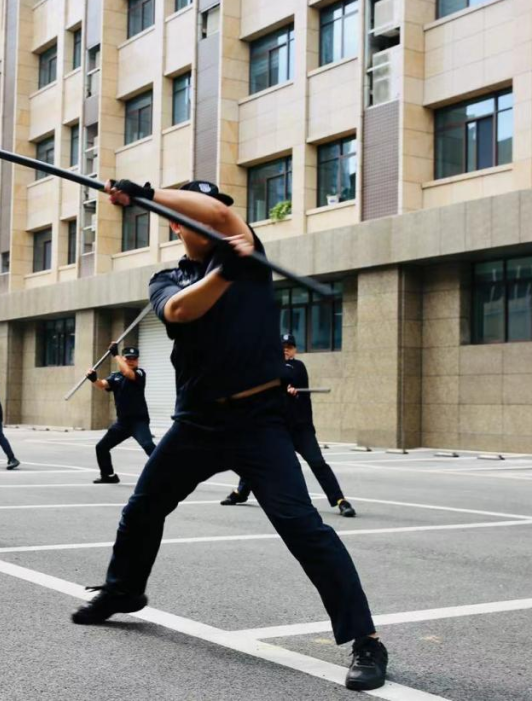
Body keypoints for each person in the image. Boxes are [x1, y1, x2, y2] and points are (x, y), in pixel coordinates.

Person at [71, 179, 388, 691]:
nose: (214, 216)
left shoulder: (248, 248)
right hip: (196, 422)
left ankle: (366, 639)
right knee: (143, 507)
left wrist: (149, 192)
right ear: (174, 222)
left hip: (259, 422)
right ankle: (124, 591)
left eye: (217, 208)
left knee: (302, 526)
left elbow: (220, 220)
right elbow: (179, 312)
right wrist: (222, 273)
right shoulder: (169, 277)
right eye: (192, 210)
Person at [221, 334, 356, 517]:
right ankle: (241, 493)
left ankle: (340, 500)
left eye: (290, 346)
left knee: (317, 463)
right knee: (258, 458)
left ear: (295, 350)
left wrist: (291, 390)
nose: (286, 348)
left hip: (300, 428)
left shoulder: (297, 366)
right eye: (283, 345)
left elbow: (292, 378)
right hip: (278, 428)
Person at [85, 345, 155, 484]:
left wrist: (115, 355)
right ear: (124, 358)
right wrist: (93, 378)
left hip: (138, 421)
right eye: (128, 358)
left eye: (134, 359)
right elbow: (102, 384)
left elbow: (128, 373)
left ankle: (170, 472)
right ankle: (109, 476)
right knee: (101, 447)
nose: (131, 361)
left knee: (148, 446)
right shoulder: (116, 376)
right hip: (122, 423)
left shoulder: (140, 373)